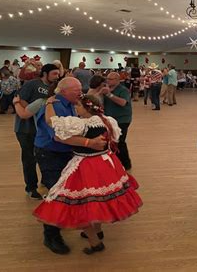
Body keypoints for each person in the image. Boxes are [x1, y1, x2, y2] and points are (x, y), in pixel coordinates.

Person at [33, 94, 142, 254]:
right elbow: (115, 140)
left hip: (86, 165)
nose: (75, 109)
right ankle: (97, 231)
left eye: (78, 106)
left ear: (86, 108)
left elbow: (51, 121)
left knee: (81, 203)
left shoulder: (81, 124)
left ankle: (95, 242)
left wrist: (49, 103)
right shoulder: (108, 120)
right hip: (106, 162)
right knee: (98, 200)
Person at [33, 77, 107, 255]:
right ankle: (51, 235)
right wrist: (90, 142)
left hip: (66, 153)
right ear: (64, 91)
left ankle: (81, 227)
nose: (80, 92)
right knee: (56, 193)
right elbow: (59, 136)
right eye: (77, 89)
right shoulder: (56, 105)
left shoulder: (72, 104)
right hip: (51, 153)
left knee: (70, 191)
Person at [15, 64, 60, 199]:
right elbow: (20, 99)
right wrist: (33, 110)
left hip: (42, 130)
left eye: (58, 74)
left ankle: (46, 181)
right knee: (29, 158)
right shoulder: (32, 84)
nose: (57, 76)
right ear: (45, 74)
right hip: (25, 128)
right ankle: (31, 187)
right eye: (54, 74)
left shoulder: (54, 88)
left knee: (44, 156)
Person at [102, 72, 133, 170]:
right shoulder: (107, 89)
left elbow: (123, 102)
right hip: (110, 119)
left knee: (120, 141)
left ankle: (126, 164)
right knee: (113, 141)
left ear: (117, 80)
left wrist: (109, 95)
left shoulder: (123, 90)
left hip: (122, 119)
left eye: (110, 79)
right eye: (107, 78)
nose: (108, 80)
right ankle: (116, 162)